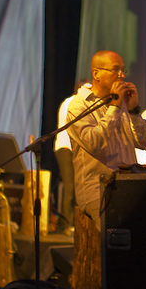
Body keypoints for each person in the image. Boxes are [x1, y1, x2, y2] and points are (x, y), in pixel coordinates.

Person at [67, 51, 146, 230]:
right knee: (117, 234)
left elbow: (143, 142)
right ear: (96, 73)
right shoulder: (79, 105)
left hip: (129, 184)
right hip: (98, 189)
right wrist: (114, 108)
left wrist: (134, 110)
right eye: (115, 70)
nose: (122, 75)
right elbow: (93, 143)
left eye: (123, 70)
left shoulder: (120, 103)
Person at [54, 79, 90, 233]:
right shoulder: (70, 103)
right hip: (65, 148)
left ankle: (74, 222)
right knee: (70, 186)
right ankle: (64, 224)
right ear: (79, 89)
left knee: (77, 185)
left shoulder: (81, 105)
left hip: (74, 148)